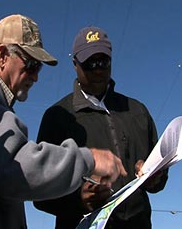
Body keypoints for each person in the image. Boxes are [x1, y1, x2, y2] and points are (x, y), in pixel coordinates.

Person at [0, 14, 127, 229]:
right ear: (2, 56)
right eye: (30, 64)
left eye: (39, 67)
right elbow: (17, 167)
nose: (36, 76)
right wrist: (89, 159)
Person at [33, 26, 169, 229]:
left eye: (103, 62)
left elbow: (160, 177)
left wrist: (154, 178)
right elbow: (40, 193)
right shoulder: (57, 116)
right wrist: (79, 200)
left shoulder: (138, 111)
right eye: (90, 63)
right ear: (75, 64)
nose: (98, 69)